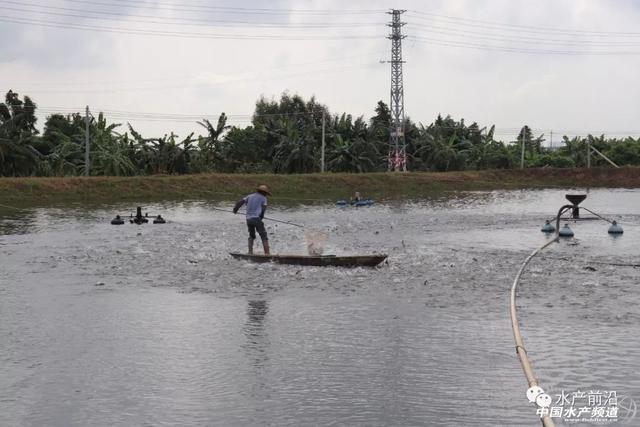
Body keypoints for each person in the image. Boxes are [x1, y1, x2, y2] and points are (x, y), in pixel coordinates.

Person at [233, 185, 271, 255]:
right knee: (263, 236)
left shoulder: (249, 196)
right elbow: (263, 208)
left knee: (252, 236)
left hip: (248, 219)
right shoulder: (263, 198)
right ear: (264, 192)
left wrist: (235, 209)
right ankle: (267, 254)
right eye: (266, 193)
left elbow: (240, 202)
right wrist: (261, 216)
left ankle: (250, 252)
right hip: (256, 218)